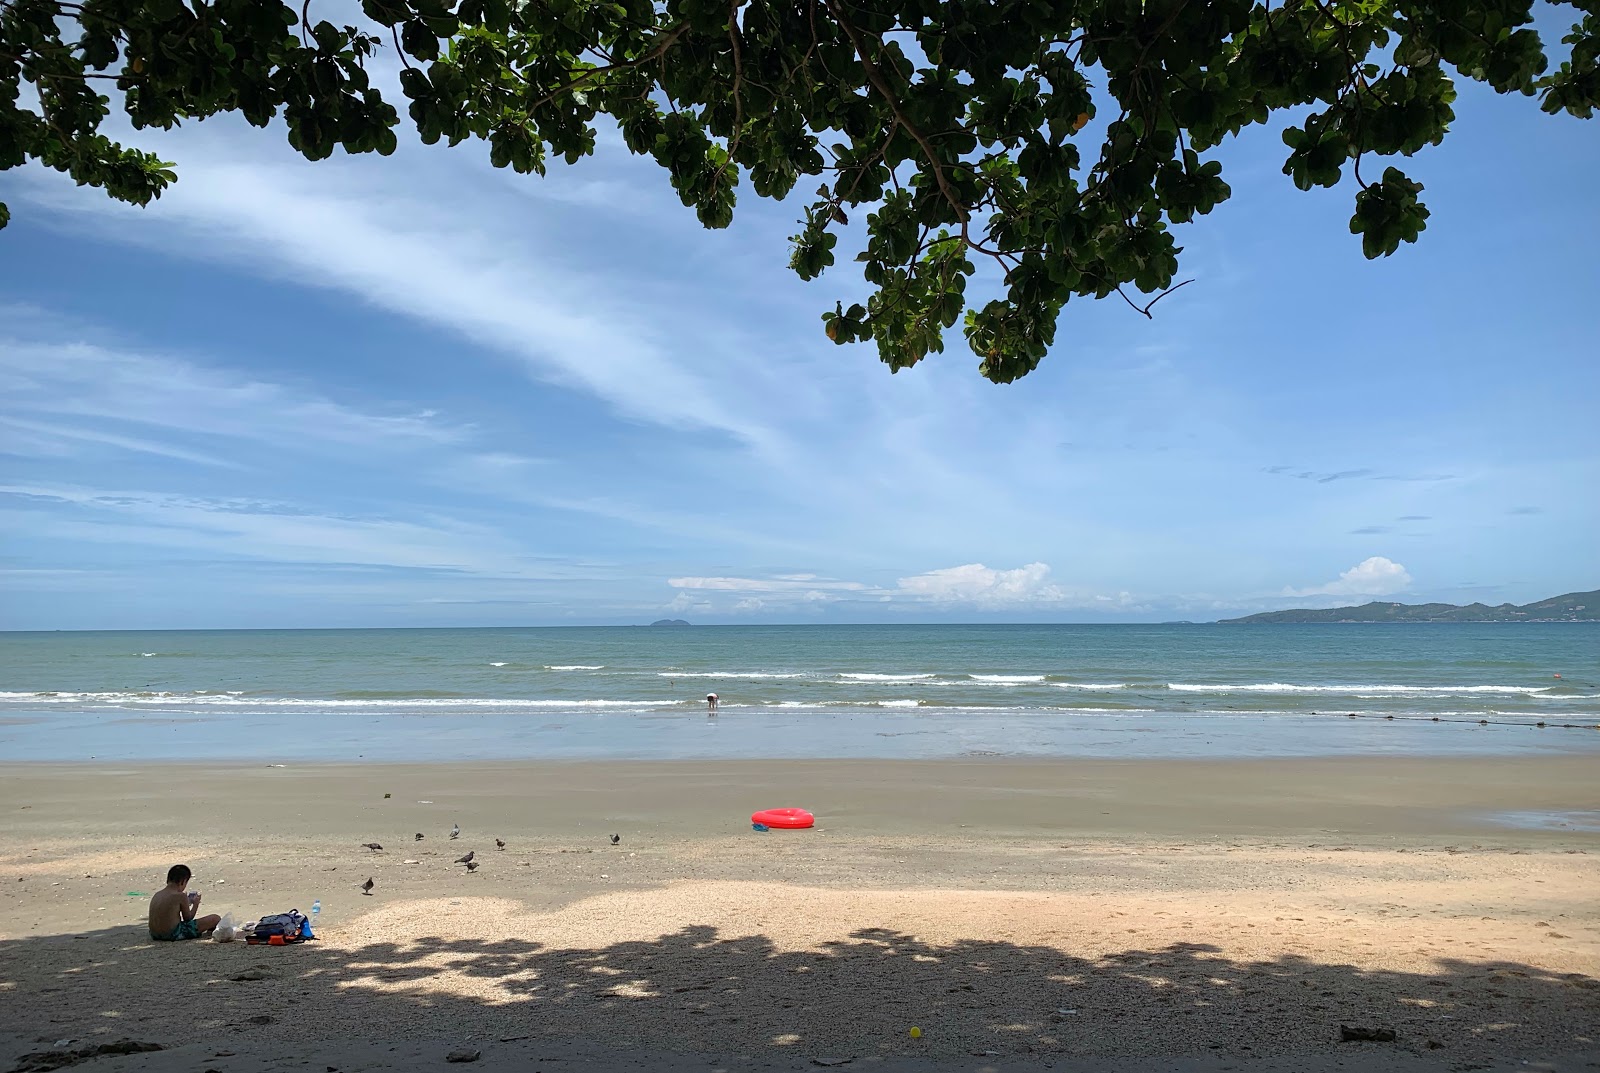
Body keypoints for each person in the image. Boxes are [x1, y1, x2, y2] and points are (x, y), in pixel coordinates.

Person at [148, 864, 221, 941]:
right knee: (215, 918)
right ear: (182, 882)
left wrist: (186, 902)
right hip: (172, 934)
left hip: (154, 934)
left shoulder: (158, 894)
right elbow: (188, 918)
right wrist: (195, 904)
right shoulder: (180, 896)